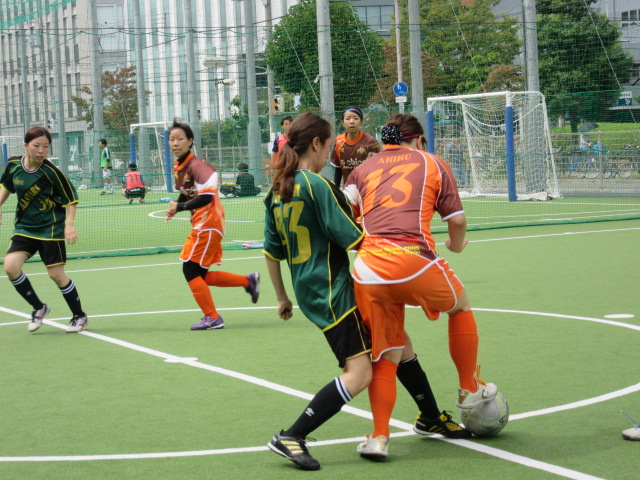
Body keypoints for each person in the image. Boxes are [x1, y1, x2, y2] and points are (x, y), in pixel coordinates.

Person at [343, 114, 498, 457]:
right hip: (413, 257)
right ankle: (468, 388)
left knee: (386, 352)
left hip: (368, 267)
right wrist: (455, 245)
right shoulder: (432, 162)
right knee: (460, 305)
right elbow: (457, 220)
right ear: (419, 139)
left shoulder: (362, 169)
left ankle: (379, 438)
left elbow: (341, 212)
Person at [263, 112, 372, 471]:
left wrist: (282, 297)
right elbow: (355, 238)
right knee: (360, 373)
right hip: (334, 291)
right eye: (328, 146)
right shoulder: (316, 185)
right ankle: (293, 435)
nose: (329, 154)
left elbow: (272, 253)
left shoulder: (276, 191)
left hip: (308, 292)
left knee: (389, 346)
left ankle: (428, 413)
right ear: (316, 144)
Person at [164, 120, 260, 330]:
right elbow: (187, 190)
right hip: (204, 224)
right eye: (171, 139)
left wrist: (180, 207)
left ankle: (213, 317)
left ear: (190, 141)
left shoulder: (197, 165)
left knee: (190, 270)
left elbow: (207, 195)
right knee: (200, 275)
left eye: (180, 138)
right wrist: (176, 207)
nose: (175, 143)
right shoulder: (180, 165)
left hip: (208, 223)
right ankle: (248, 281)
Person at [0, 126, 88, 333]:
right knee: (11, 267)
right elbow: (6, 186)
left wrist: (69, 224)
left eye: (46, 146)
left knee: (56, 275)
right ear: (26, 145)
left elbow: (71, 199)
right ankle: (39, 308)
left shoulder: (51, 172)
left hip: (51, 229)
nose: (41, 151)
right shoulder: (13, 164)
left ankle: (79, 315)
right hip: (24, 227)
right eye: (36, 146)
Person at [331, 106, 380, 187]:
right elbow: (338, 168)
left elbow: (378, 169)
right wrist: (336, 190)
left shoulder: (370, 141)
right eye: (348, 118)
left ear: (361, 122)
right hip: (348, 189)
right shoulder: (338, 141)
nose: (352, 122)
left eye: (356, 118)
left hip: (367, 188)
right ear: (343, 122)